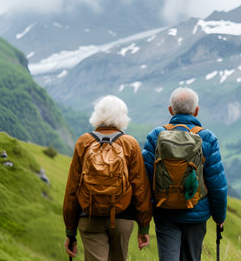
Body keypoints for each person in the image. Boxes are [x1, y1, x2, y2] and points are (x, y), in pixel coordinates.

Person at [63, 95, 152, 261]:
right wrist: (143, 227)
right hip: (122, 218)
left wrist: (70, 232)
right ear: (122, 117)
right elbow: (140, 188)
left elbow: (72, 189)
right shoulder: (130, 143)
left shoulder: (84, 142)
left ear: (97, 115)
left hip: (89, 216)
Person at [142, 87, 227, 261]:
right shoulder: (207, 138)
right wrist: (219, 217)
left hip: (165, 211)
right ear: (196, 111)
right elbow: (217, 182)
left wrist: (145, 215)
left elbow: (146, 179)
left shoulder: (156, 135)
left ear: (170, 110)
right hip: (196, 211)